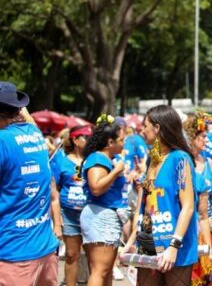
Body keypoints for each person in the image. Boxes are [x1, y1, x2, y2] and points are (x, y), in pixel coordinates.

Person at [123, 105, 198, 286]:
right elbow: (143, 207)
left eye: (145, 125)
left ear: (157, 128)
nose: (141, 130)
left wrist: (173, 246)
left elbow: (188, 207)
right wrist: (131, 241)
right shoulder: (152, 158)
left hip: (175, 246)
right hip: (148, 243)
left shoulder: (180, 159)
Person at [0, 82, 59, 286]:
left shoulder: (2, 141)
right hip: (44, 248)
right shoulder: (34, 135)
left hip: (12, 251)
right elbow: (28, 119)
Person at [80, 115, 126, 286]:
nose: (123, 143)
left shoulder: (104, 159)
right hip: (101, 216)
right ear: (110, 142)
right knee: (100, 271)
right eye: (121, 140)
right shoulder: (99, 159)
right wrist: (116, 172)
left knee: (104, 271)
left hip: (102, 215)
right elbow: (96, 187)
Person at [51, 125, 91, 286]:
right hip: (68, 215)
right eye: (86, 137)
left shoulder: (95, 159)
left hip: (91, 215)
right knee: (71, 255)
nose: (89, 140)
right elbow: (55, 192)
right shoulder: (60, 160)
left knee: (92, 257)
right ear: (75, 140)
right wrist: (57, 222)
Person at [182, 112, 212, 284]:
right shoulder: (181, 163)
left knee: (208, 278)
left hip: (209, 228)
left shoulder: (209, 163)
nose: (207, 140)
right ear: (191, 137)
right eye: (203, 136)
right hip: (188, 230)